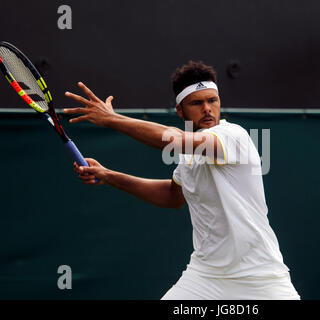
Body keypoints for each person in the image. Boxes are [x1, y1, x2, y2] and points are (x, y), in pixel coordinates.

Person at [64, 60, 300, 300]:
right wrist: (109, 175)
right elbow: (172, 195)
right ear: (180, 110)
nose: (207, 108)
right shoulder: (190, 156)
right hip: (206, 275)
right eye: (197, 103)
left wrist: (113, 119)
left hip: (260, 276)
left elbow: (174, 139)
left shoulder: (232, 136)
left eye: (212, 101)